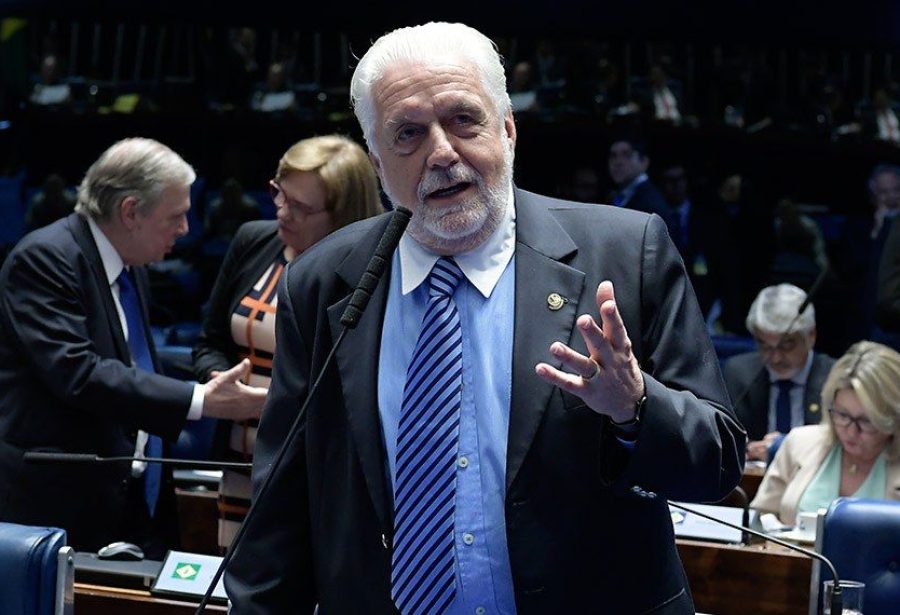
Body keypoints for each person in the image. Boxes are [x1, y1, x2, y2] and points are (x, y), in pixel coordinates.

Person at [226, 22, 745, 614]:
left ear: (508, 129)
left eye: (464, 120)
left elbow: (719, 463)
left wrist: (636, 408)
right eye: (408, 134)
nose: (442, 153)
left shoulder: (626, 253)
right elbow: (280, 511)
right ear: (376, 162)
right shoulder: (322, 283)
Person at [0, 138, 266, 557]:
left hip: (131, 494)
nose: (186, 229)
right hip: (59, 505)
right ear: (130, 212)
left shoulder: (129, 264)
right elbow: (78, 373)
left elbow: (133, 365)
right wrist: (201, 400)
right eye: (175, 216)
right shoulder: (45, 259)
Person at [192, 134, 382, 551]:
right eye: (280, 193)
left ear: (343, 213)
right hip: (240, 462)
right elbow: (210, 342)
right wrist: (222, 383)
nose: (282, 211)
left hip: (319, 472)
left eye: (300, 206)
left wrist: (280, 404)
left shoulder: (371, 271)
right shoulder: (253, 241)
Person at [751, 341, 900, 525]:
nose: (851, 431)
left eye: (866, 421)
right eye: (843, 415)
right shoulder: (799, 442)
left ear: (894, 418)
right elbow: (758, 523)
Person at [723, 284, 835, 461]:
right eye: (764, 346)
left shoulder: (835, 378)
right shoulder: (738, 374)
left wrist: (784, 447)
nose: (775, 358)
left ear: (811, 336)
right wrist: (749, 449)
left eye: (786, 345)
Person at [607, 135, 676, 230]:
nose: (618, 162)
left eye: (627, 155)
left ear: (644, 162)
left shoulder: (651, 203)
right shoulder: (617, 195)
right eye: (613, 156)